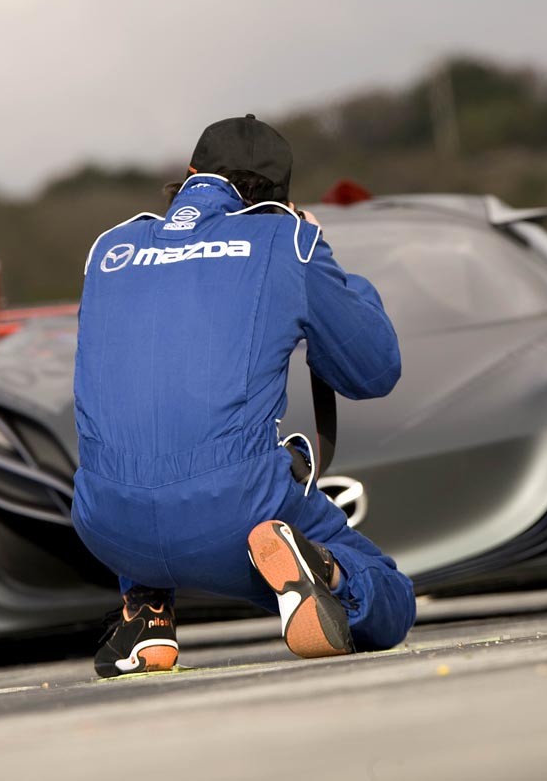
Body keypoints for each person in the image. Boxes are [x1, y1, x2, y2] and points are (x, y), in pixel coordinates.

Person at [72, 114, 416, 677]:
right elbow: (373, 372)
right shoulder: (286, 240)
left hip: (104, 528)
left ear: (188, 176)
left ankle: (147, 616)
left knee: (143, 432)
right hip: (232, 518)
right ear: (277, 198)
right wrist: (324, 256)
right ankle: (322, 573)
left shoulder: (109, 249)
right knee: (392, 595)